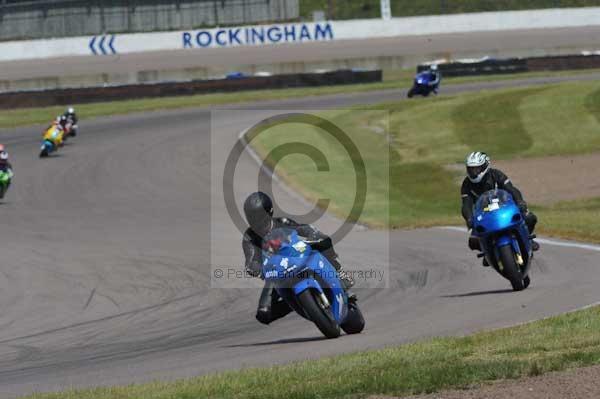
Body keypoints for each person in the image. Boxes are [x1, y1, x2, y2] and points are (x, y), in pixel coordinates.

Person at [242, 191, 355, 325]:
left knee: (324, 241)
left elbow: (302, 229)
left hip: (298, 260)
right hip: (276, 275)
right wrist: (256, 269)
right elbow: (251, 260)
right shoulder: (249, 237)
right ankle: (295, 304)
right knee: (263, 314)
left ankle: (339, 272)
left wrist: (313, 235)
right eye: (252, 217)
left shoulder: (283, 222)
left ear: (269, 212)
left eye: (258, 216)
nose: (256, 220)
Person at [461, 152, 539, 264]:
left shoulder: (496, 175)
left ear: (485, 166)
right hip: (484, 215)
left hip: (504, 209)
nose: (474, 172)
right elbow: (466, 204)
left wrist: (520, 202)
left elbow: (511, 189)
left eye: (477, 169)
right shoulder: (466, 184)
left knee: (530, 218)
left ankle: (527, 239)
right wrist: (469, 218)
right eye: (471, 169)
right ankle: (488, 252)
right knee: (473, 242)